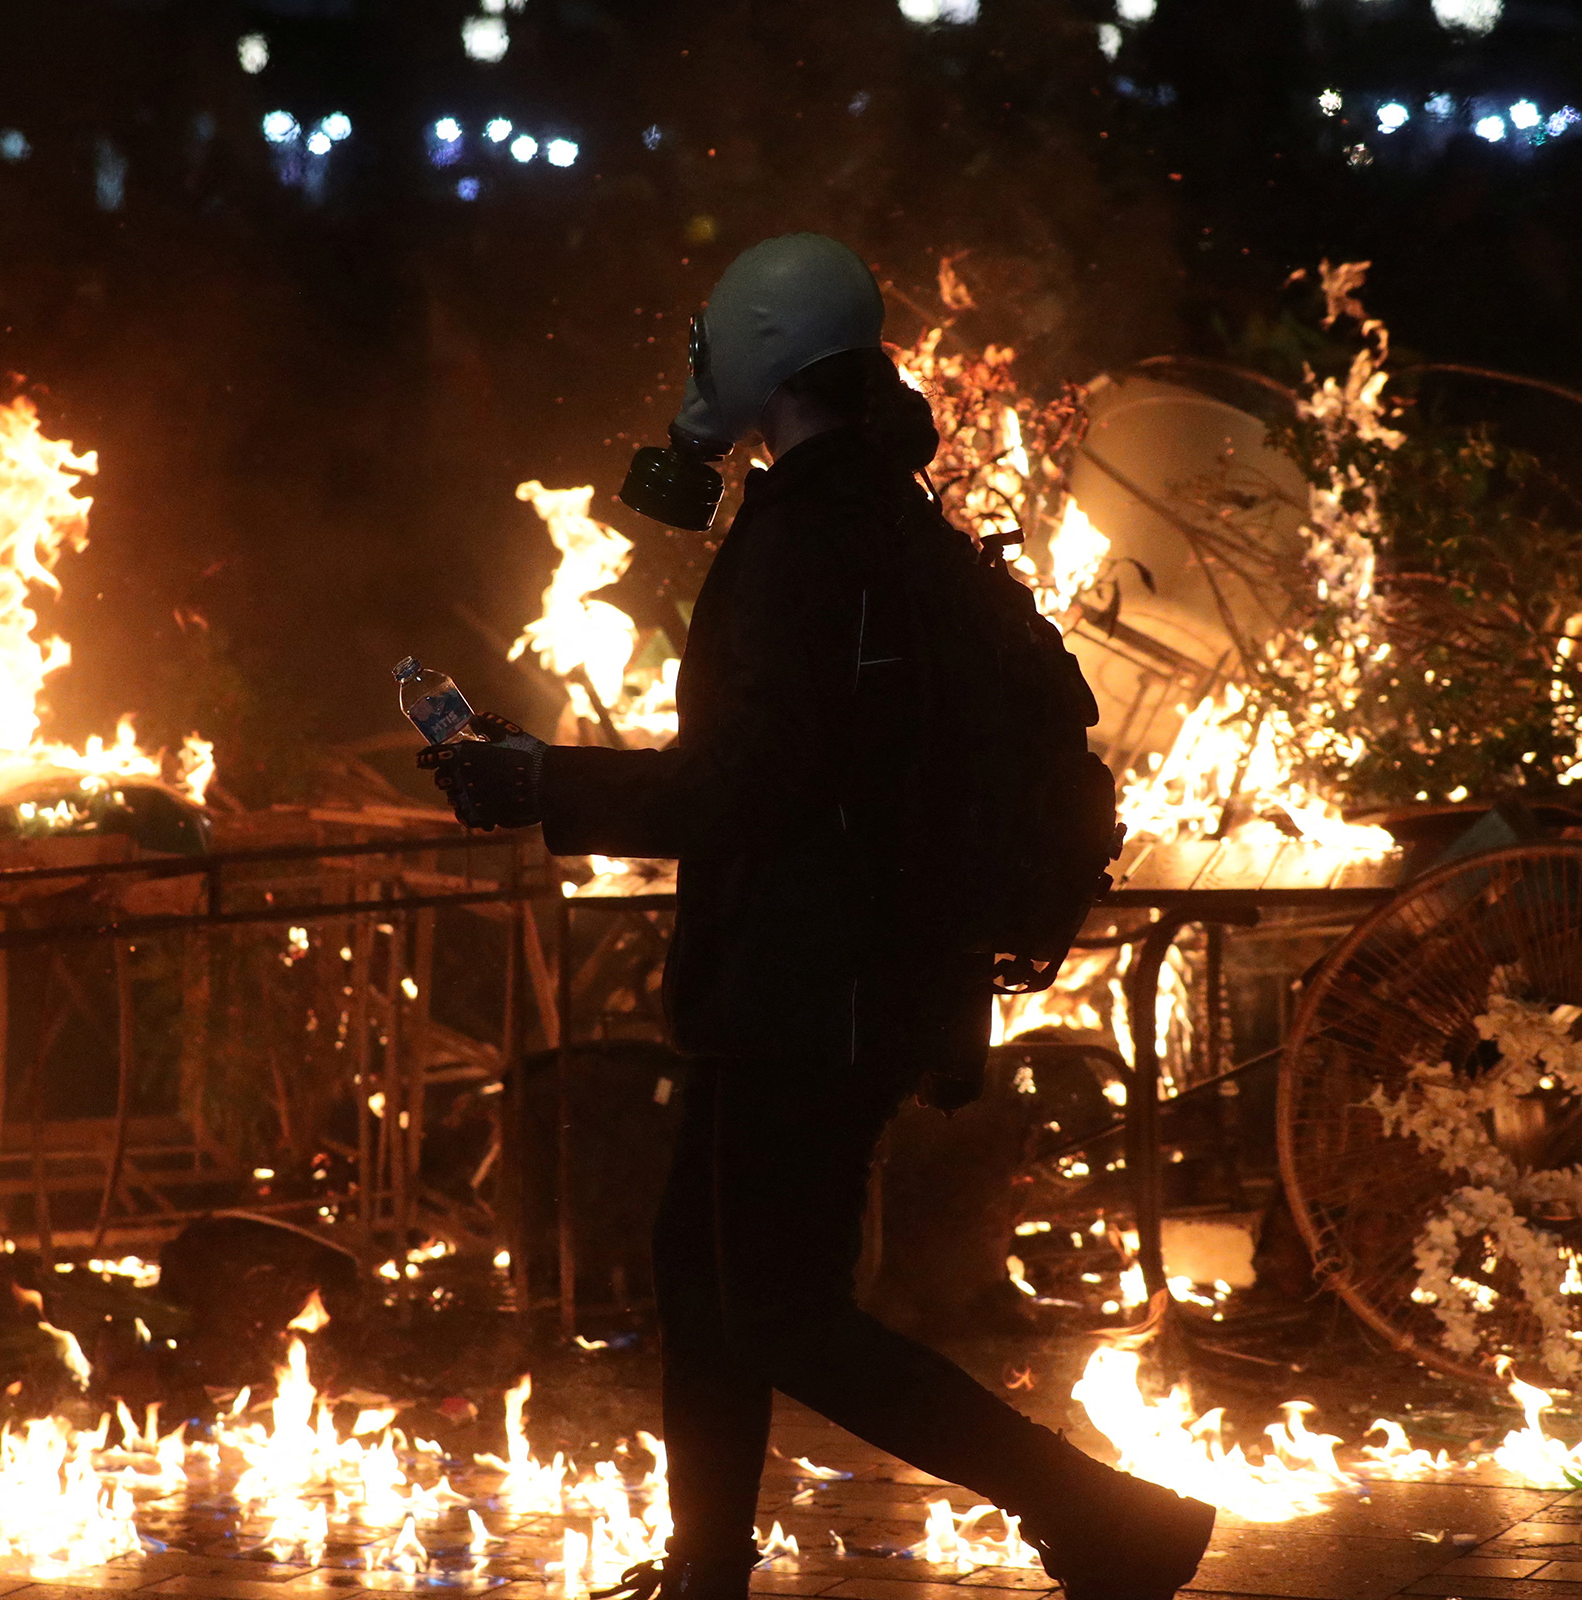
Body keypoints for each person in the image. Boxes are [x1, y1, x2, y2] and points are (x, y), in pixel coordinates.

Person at [420, 235, 1215, 1600]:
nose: (691, 370)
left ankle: (1101, 1516)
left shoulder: (814, 540)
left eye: (710, 343)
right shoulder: (872, 520)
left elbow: (755, 784)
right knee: (702, 1279)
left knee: (779, 1306)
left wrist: (540, 781)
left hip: (815, 984)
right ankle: (707, 1569)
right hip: (825, 977)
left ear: (771, 357)